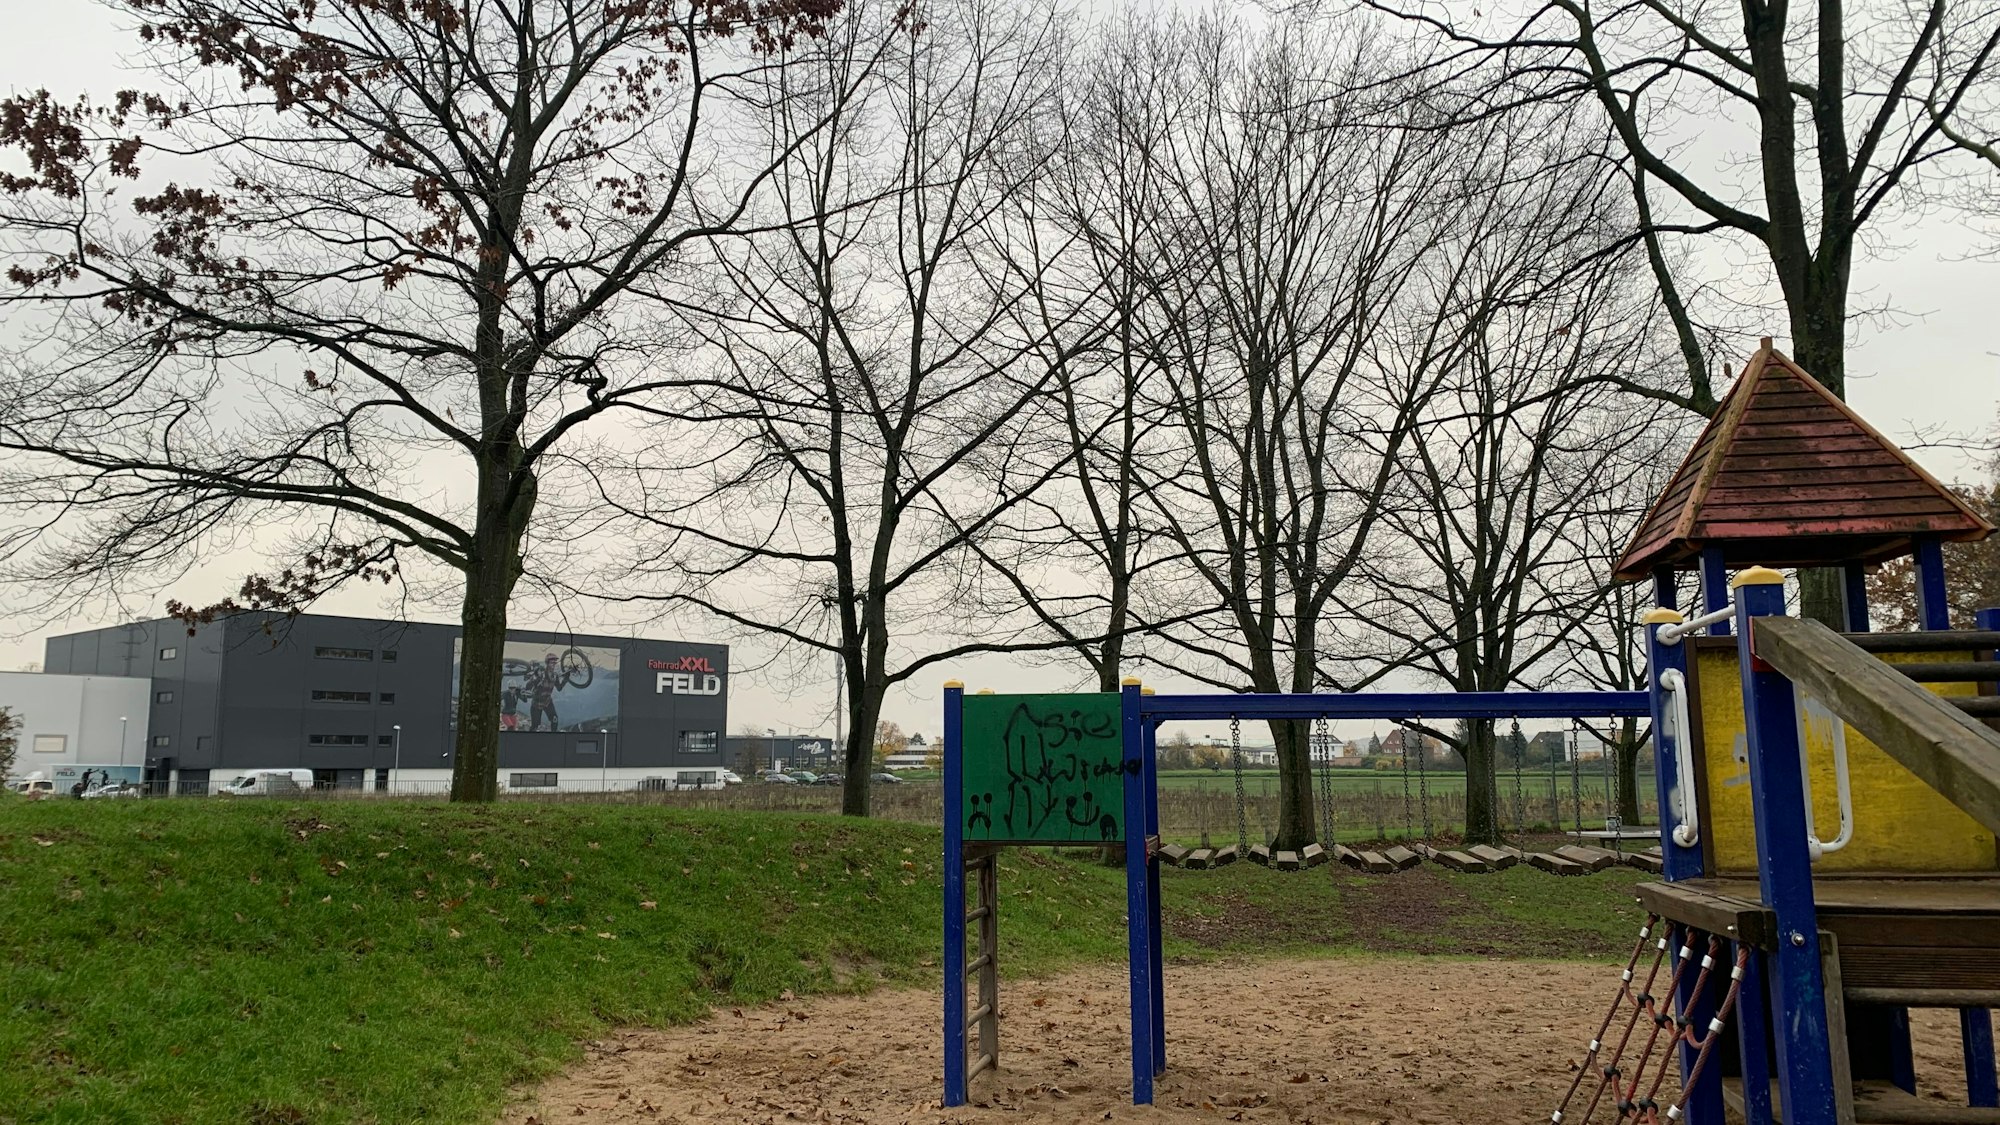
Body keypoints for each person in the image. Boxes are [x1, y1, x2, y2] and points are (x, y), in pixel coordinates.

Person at [525, 653, 564, 732]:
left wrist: (566, 679)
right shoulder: (541, 674)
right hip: (536, 704)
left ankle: (553, 739)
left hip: (547, 702)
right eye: (552, 662)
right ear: (547, 663)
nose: (554, 664)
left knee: (554, 720)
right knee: (535, 726)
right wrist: (535, 678)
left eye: (555, 662)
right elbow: (528, 686)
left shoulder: (555, 676)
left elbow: (559, 688)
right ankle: (529, 740)